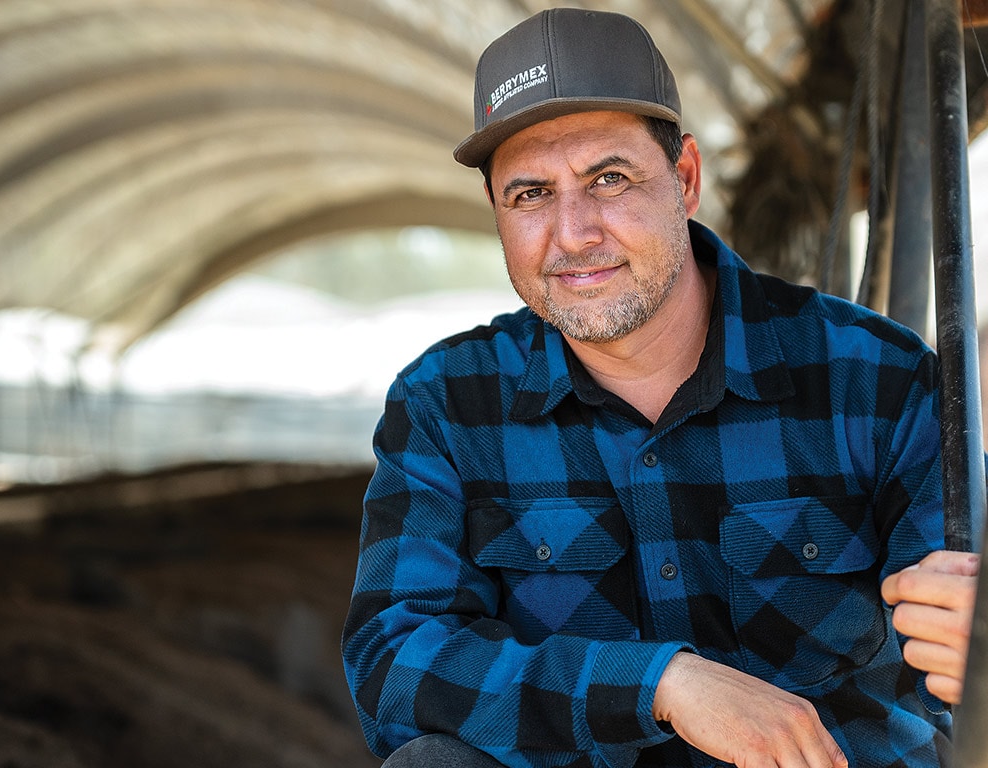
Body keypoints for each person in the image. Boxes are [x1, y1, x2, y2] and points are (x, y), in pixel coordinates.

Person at [341, 8, 981, 768]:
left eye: (608, 178)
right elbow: (392, 661)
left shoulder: (875, 378)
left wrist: (970, 635)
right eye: (531, 195)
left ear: (684, 180)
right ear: (498, 214)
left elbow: (955, 616)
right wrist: (659, 684)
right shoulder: (446, 403)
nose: (574, 232)